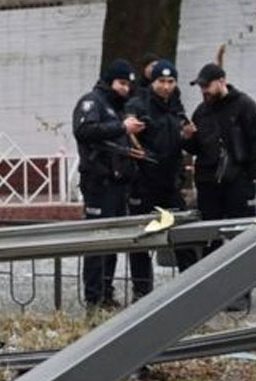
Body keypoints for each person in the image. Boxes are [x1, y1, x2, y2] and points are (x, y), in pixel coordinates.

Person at [183, 63, 256, 310]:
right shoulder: (202, 111)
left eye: (207, 85)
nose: (204, 91)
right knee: (210, 238)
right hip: (209, 183)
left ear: (222, 81)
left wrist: (254, 178)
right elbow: (197, 147)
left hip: (238, 183)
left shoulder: (244, 105)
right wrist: (187, 139)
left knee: (240, 239)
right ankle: (212, 293)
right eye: (200, 87)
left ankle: (240, 294)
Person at [72, 59, 147, 309]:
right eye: (121, 83)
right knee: (97, 242)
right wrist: (121, 127)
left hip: (118, 183)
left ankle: (106, 293)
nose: (125, 88)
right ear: (109, 81)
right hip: (98, 182)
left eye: (128, 84)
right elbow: (84, 131)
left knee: (113, 243)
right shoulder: (92, 102)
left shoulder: (119, 107)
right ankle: (93, 297)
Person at [123, 59, 197, 298]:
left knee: (184, 235)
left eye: (171, 81)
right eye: (161, 81)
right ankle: (142, 293)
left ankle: (191, 288)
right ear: (152, 81)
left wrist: (187, 136)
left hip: (170, 184)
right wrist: (143, 155)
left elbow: (182, 138)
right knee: (141, 241)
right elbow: (128, 130)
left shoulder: (176, 107)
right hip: (144, 184)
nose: (166, 86)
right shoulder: (140, 103)